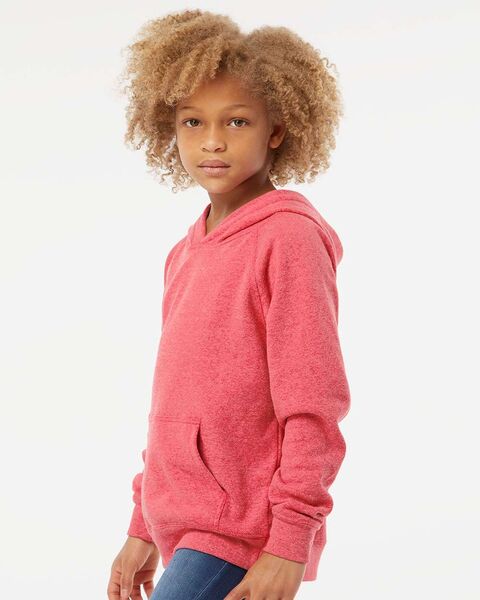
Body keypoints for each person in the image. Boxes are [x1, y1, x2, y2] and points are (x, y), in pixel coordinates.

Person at [107, 9, 351, 600]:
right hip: (181, 523)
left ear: (277, 129)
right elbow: (175, 402)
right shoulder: (183, 253)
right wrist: (142, 524)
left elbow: (313, 404)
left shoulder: (288, 238)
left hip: (240, 532)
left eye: (237, 121)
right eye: (193, 121)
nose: (212, 140)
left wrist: (290, 541)